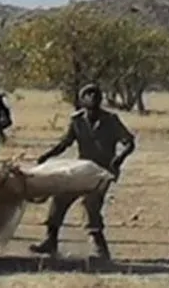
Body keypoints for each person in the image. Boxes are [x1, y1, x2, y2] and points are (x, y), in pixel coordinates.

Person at [28, 82, 135, 262]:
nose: (93, 97)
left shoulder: (111, 120)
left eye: (96, 94)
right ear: (82, 99)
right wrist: (46, 156)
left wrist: (119, 158)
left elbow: (129, 142)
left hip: (103, 171)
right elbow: (65, 143)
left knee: (91, 203)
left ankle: (100, 249)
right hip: (83, 169)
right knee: (60, 198)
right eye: (88, 94)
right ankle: (51, 240)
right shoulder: (77, 120)